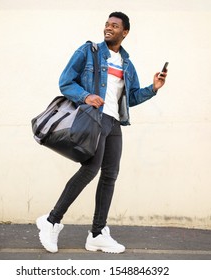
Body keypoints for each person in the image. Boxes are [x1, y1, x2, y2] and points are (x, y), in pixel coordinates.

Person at [36, 11, 167, 254]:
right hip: (93, 120)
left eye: (114, 26)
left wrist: (154, 88)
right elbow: (65, 81)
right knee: (89, 170)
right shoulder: (88, 52)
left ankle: (97, 233)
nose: (108, 28)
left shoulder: (127, 64)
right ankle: (51, 221)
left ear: (124, 32)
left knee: (110, 175)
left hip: (114, 123)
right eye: (107, 24)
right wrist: (85, 96)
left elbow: (132, 97)